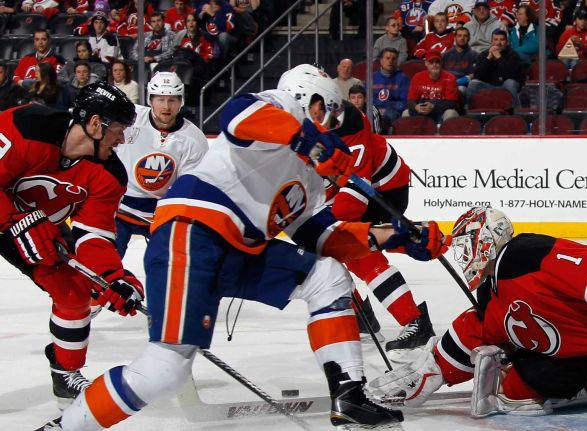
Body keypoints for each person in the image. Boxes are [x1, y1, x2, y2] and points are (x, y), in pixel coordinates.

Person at [37, 64, 450, 430]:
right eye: (326, 107)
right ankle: (65, 427)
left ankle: (349, 397)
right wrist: (304, 137)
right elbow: (237, 114)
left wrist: (398, 236)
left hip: (238, 249)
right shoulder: (282, 107)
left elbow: (322, 237)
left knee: (326, 276)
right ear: (306, 97)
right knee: (164, 370)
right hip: (192, 233)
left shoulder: (309, 177)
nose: (332, 119)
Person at [369, 207, 587, 430]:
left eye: (466, 245)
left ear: (485, 242)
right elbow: (470, 334)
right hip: (574, 360)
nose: (463, 255)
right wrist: (427, 370)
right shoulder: (494, 296)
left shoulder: (525, 255)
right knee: (513, 391)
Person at [0, 83, 141, 410]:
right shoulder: (27, 125)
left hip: (34, 231)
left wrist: (111, 277)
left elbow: (94, 235)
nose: (122, 140)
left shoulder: (109, 175)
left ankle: (66, 373)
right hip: (14, 218)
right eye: (118, 130)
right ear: (95, 124)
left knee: (74, 293)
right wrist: (16, 221)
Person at [304, 78, 437, 359]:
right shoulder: (306, 127)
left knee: (358, 252)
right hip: (358, 187)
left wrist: (325, 223)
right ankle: (364, 318)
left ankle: (414, 321)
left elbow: (355, 194)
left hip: (384, 188)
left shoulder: (350, 125)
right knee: (332, 250)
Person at [113, 72, 208, 262]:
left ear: (181, 101)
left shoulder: (194, 139)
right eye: (161, 99)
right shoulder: (129, 119)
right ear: (150, 99)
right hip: (119, 207)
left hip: (160, 213)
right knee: (105, 263)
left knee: (170, 268)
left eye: (172, 100)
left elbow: (188, 187)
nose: (166, 106)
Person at [466, 29, 526, 107]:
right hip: (489, 85)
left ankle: (515, 112)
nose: (498, 43)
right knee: (473, 84)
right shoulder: (484, 55)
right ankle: (469, 113)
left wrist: (499, 58)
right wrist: (488, 58)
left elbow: (510, 75)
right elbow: (477, 75)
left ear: (507, 42)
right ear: (491, 42)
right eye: (496, 39)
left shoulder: (513, 55)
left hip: (506, 85)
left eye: (502, 40)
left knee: (510, 83)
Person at [404, 50, 460, 124]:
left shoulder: (450, 77)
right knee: (406, 113)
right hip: (422, 111)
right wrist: (416, 107)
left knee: (451, 113)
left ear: (441, 63)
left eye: (437, 62)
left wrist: (433, 106)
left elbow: (451, 103)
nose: (434, 65)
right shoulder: (417, 77)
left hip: (441, 112)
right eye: (431, 62)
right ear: (426, 63)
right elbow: (410, 100)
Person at [371, 48, 410, 133]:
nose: (390, 61)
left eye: (394, 59)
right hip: (374, 111)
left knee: (388, 117)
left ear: (397, 61)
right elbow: (367, 99)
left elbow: (405, 102)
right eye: (387, 58)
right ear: (381, 61)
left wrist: (387, 108)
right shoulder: (372, 77)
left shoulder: (403, 78)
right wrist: (377, 109)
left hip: (393, 112)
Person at [442, 26, 476, 97]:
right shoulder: (445, 55)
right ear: (455, 38)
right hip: (445, 84)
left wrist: (456, 83)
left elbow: (472, 76)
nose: (462, 38)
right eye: (459, 36)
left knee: (460, 89)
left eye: (465, 36)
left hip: (463, 86)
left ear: (469, 38)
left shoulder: (474, 55)